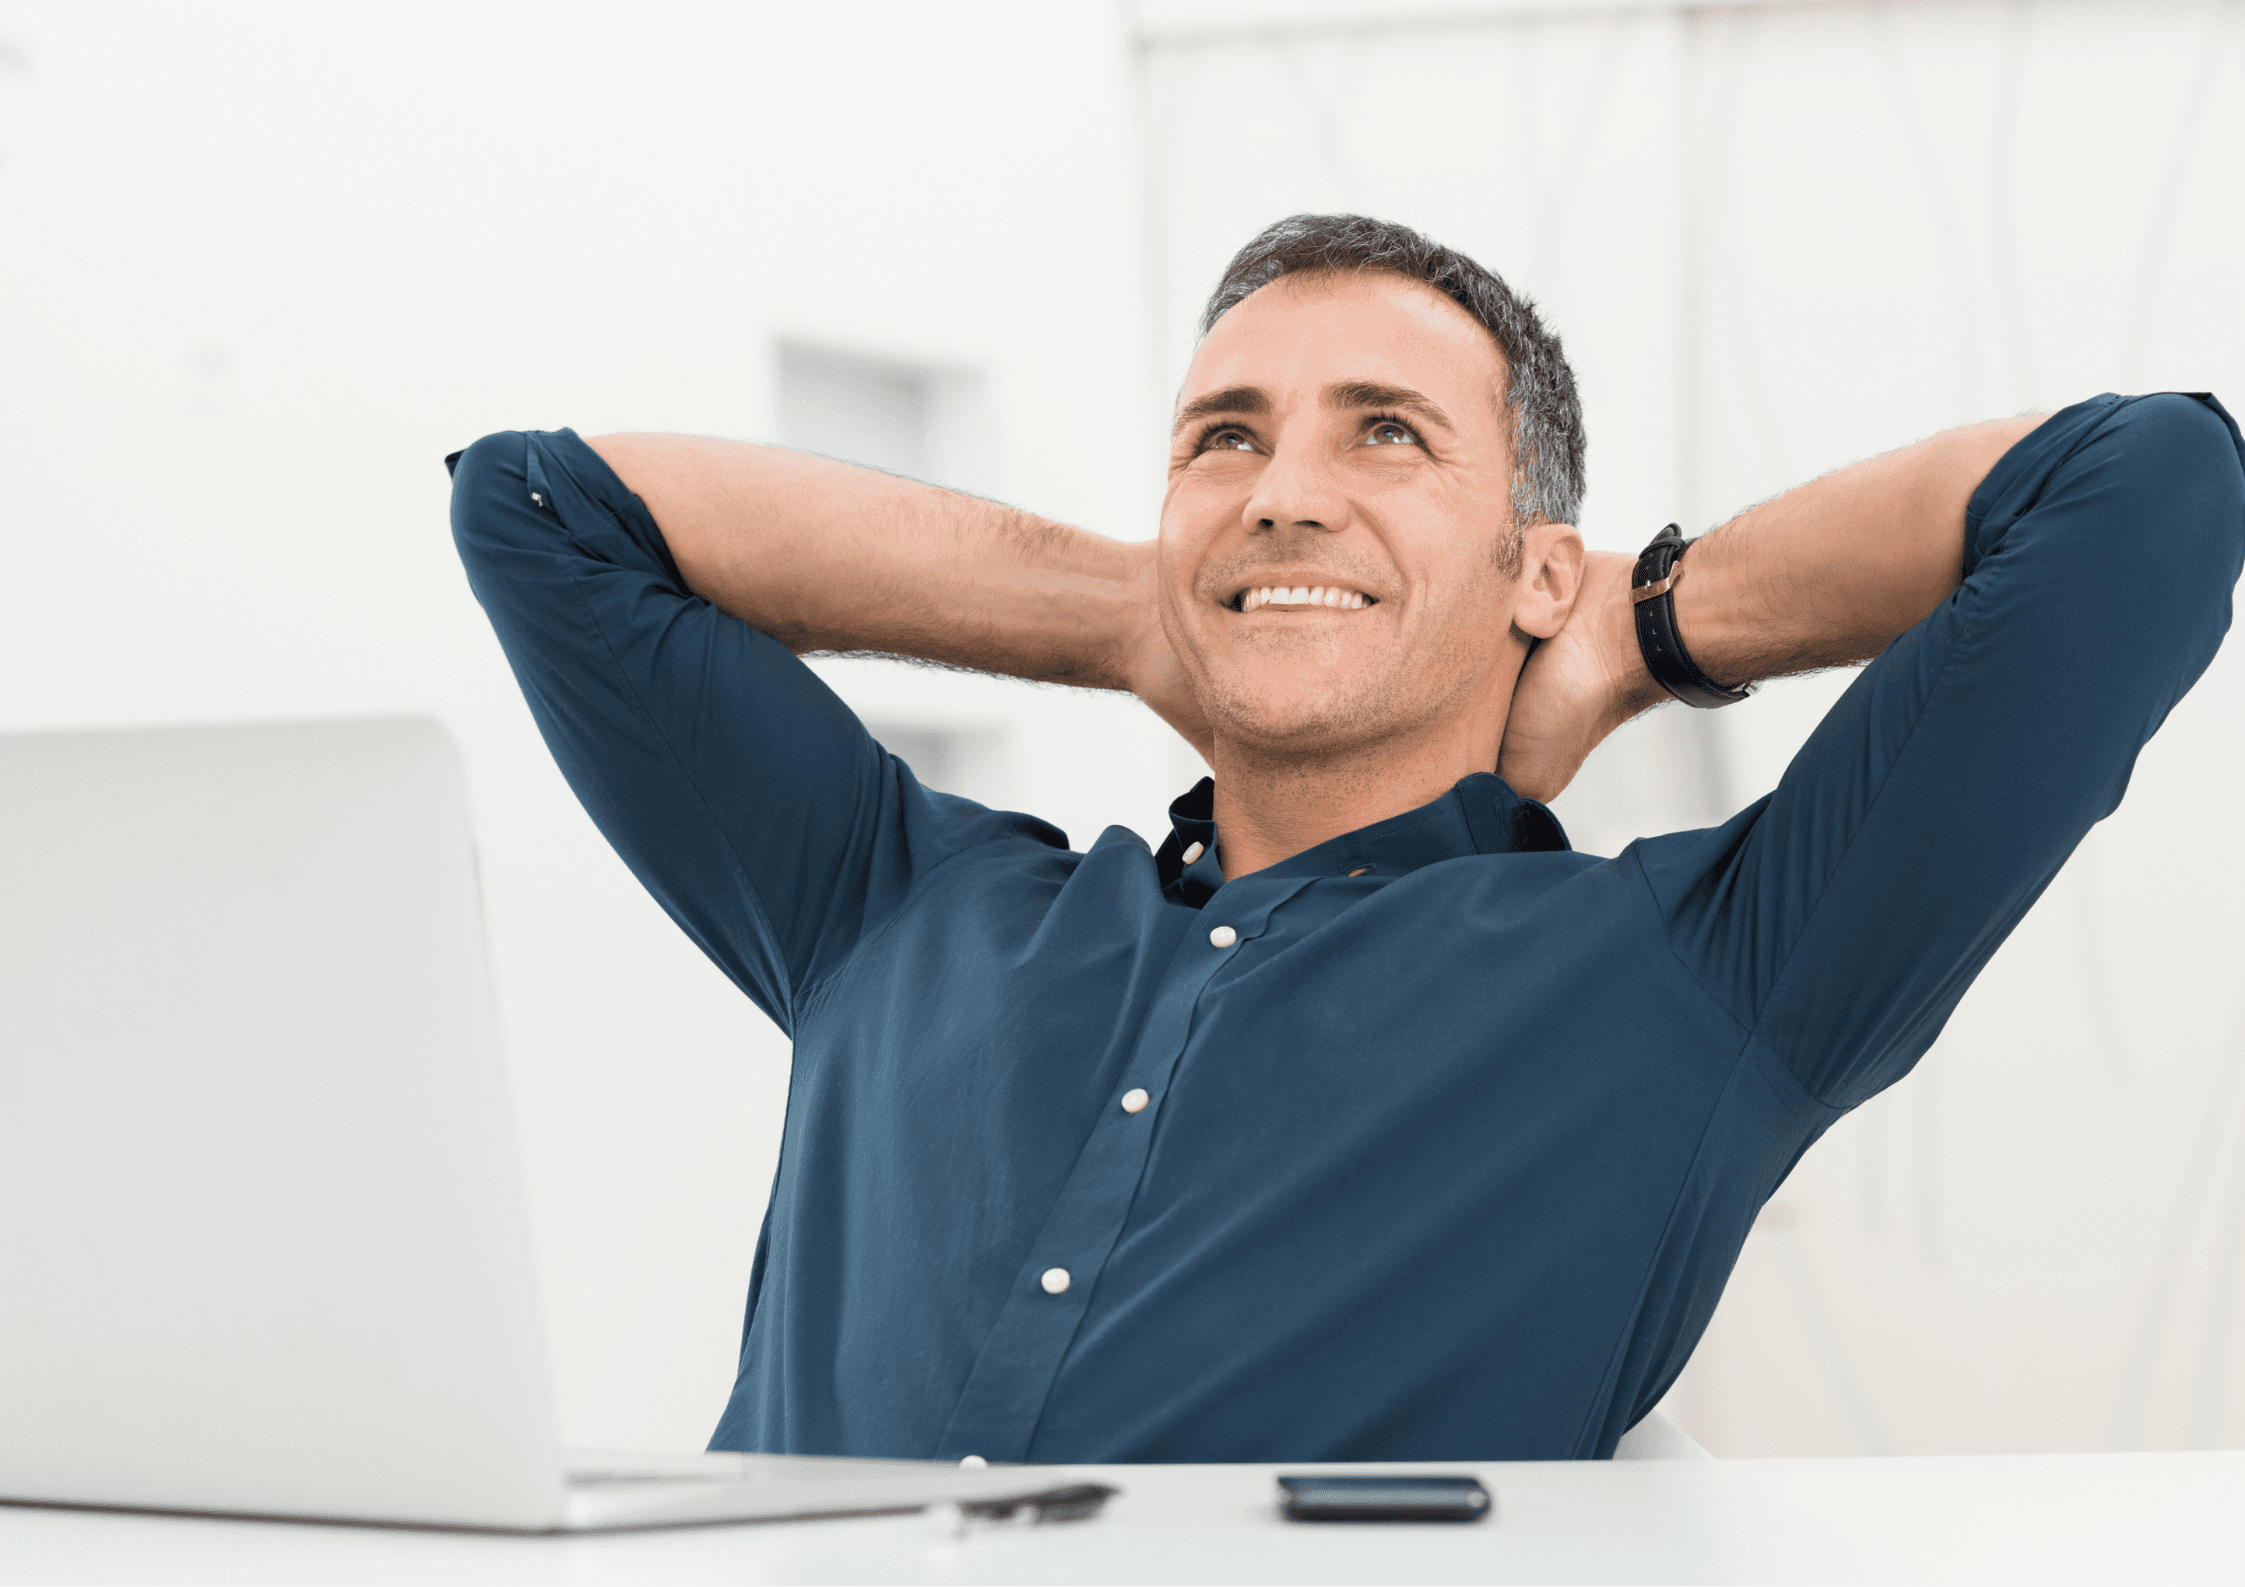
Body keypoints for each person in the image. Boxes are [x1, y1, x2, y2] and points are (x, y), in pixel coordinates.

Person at [447, 214, 2244, 1462]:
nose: (1285, 488)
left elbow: (2148, 490)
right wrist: (1146, 610)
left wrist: (1635, 626)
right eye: (1223, 440)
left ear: (1536, 562)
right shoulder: (895, 902)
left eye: (1385, 435)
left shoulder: (1698, 978)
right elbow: (540, 510)